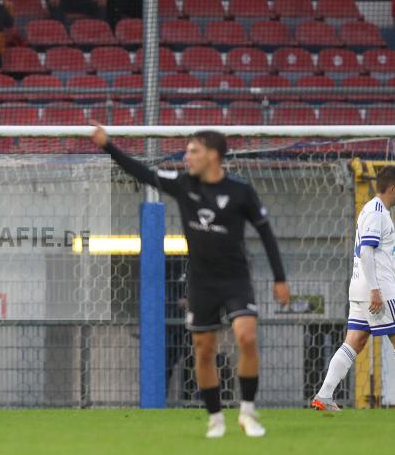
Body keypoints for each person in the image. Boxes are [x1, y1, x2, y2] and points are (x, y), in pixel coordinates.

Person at [90, 125, 290, 438]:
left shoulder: (240, 192)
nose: (187, 157)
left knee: (247, 337)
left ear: (213, 155)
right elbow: (141, 172)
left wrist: (280, 278)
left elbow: (265, 233)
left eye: (193, 151)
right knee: (204, 348)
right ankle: (215, 419)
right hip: (201, 282)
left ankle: (248, 412)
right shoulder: (183, 185)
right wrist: (108, 147)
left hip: (236, 278)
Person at [311, 167, 395, 412]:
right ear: (392, 188)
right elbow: (367, 251)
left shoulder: (372, 210)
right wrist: (376, 290)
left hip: (360, 288)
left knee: (355, 341)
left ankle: (324, 395)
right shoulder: (377, 212)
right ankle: (324, 395)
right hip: (377, 289)